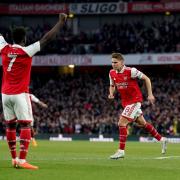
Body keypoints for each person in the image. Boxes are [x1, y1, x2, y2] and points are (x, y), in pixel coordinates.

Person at [0, 13, 67, 169]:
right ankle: (22, 160)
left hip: (4, 94)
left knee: (10, 126)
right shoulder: (27, 51)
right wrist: (60, 22)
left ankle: (14, 158)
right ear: (24, 39)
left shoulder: (3, 48)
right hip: (19, 94)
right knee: (25, 125)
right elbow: (47, 39)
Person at [108, 53, 167, 159]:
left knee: (121, 123)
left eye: (115, 62)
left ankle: (121, 151)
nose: (113, 64)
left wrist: (150, 94)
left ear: (122, 62)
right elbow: (112, 85)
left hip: (135, 101)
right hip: (126, 103)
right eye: (112, 62)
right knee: (143, 123)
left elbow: (147, 79)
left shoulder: (131, 71)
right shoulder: (111, 73)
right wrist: (111, 93)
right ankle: (162, 139)